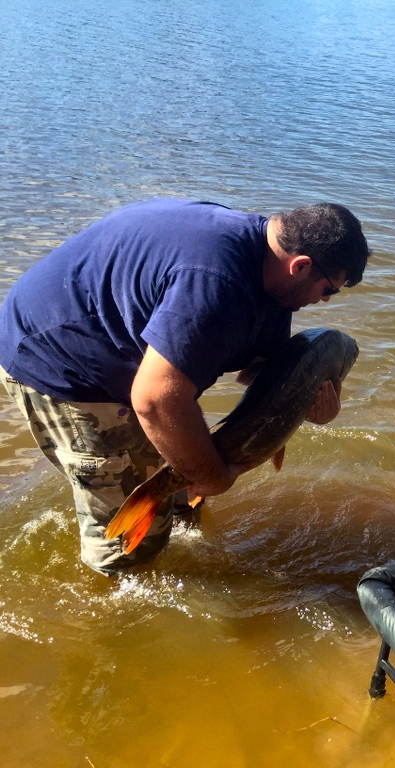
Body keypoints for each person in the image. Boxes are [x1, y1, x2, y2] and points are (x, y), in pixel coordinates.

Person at [0, 199, 370, 575]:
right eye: (329, 289)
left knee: (181, 487)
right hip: (59, 359)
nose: (324, 300)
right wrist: (215, 477)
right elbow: (155, 400)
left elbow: (263, 377)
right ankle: (117, 609)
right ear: (301, 265)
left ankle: (177, 546)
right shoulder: (216, 281)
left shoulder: (272, 271)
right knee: (132, 547)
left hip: (131, 359)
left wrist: (310, 406)